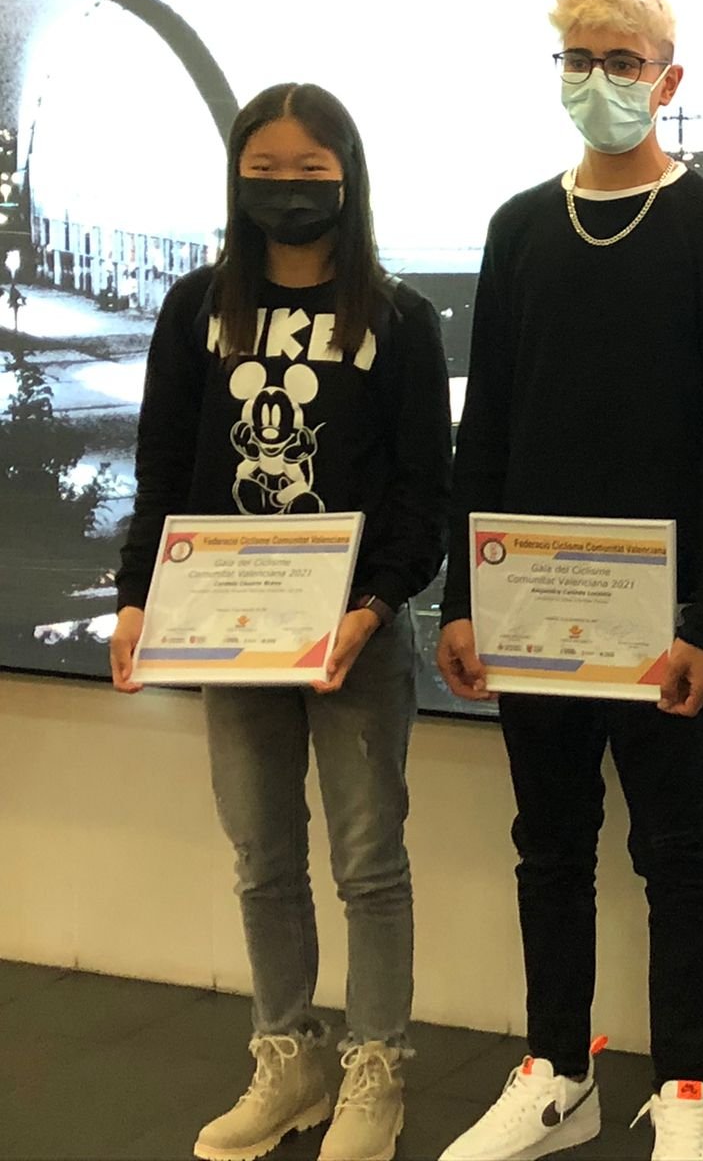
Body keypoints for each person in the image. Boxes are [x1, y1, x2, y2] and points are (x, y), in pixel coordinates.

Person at [434, 0, 703, 1161]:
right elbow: (488, 424)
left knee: (674, 853)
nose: (599, 79)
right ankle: (556, 1075)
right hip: (529, 611)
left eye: (622, 61)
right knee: (550, 843)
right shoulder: (520, 227)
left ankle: (684, 1091)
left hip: (655, 623)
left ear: (667, 80)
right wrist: (461, 599)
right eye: (578, 59)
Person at [109, 82, 452, 1161]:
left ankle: (375, 1067)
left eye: (312, 170)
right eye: (267, 169)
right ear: (237, 175)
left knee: (369, 861)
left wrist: (374, 606)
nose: (288, 189)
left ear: (349, 178)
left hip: (354, 639)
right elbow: (163, 466)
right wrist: (135, 597)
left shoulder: (398, 319)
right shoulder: (194, 309)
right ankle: (289, 1055)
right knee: (262, 856)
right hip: (229, 629)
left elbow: (422, 491)